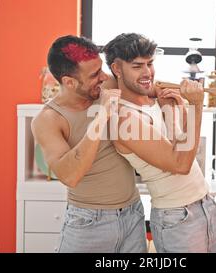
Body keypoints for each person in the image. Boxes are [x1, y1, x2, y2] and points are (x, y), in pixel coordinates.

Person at [102, 33, 216, 253]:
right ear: (117, 69)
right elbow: (180, 164)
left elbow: (181, 142)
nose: (147, 72)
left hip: (205, 204)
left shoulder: (155, 98)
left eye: (150, 63)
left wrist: (175, 111)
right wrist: (196, 106)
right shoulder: (124, 118)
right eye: (137, 66)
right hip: (176, 219)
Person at [31, 35, 147, 253]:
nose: (104, 77)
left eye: (101, 69)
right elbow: (70, 175)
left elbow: (145, 87)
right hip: (89, 223)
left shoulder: (103, 87)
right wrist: (101, 115)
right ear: (69, 82)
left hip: (133, 215)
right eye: (94, 74)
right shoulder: (48, 120)